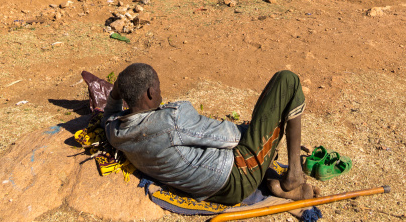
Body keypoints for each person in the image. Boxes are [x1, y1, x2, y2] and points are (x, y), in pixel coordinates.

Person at [102, 63, 314, 205]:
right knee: (286, 80)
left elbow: (108, 115)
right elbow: (232, 137)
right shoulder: (171, 121)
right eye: (157, 88)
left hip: (208, 192)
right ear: (150, 92)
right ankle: (294, 174)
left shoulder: (117, 132)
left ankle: (274, 176)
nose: (160, 92)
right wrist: (255, 128)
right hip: (236, 179)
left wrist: (115, 92)